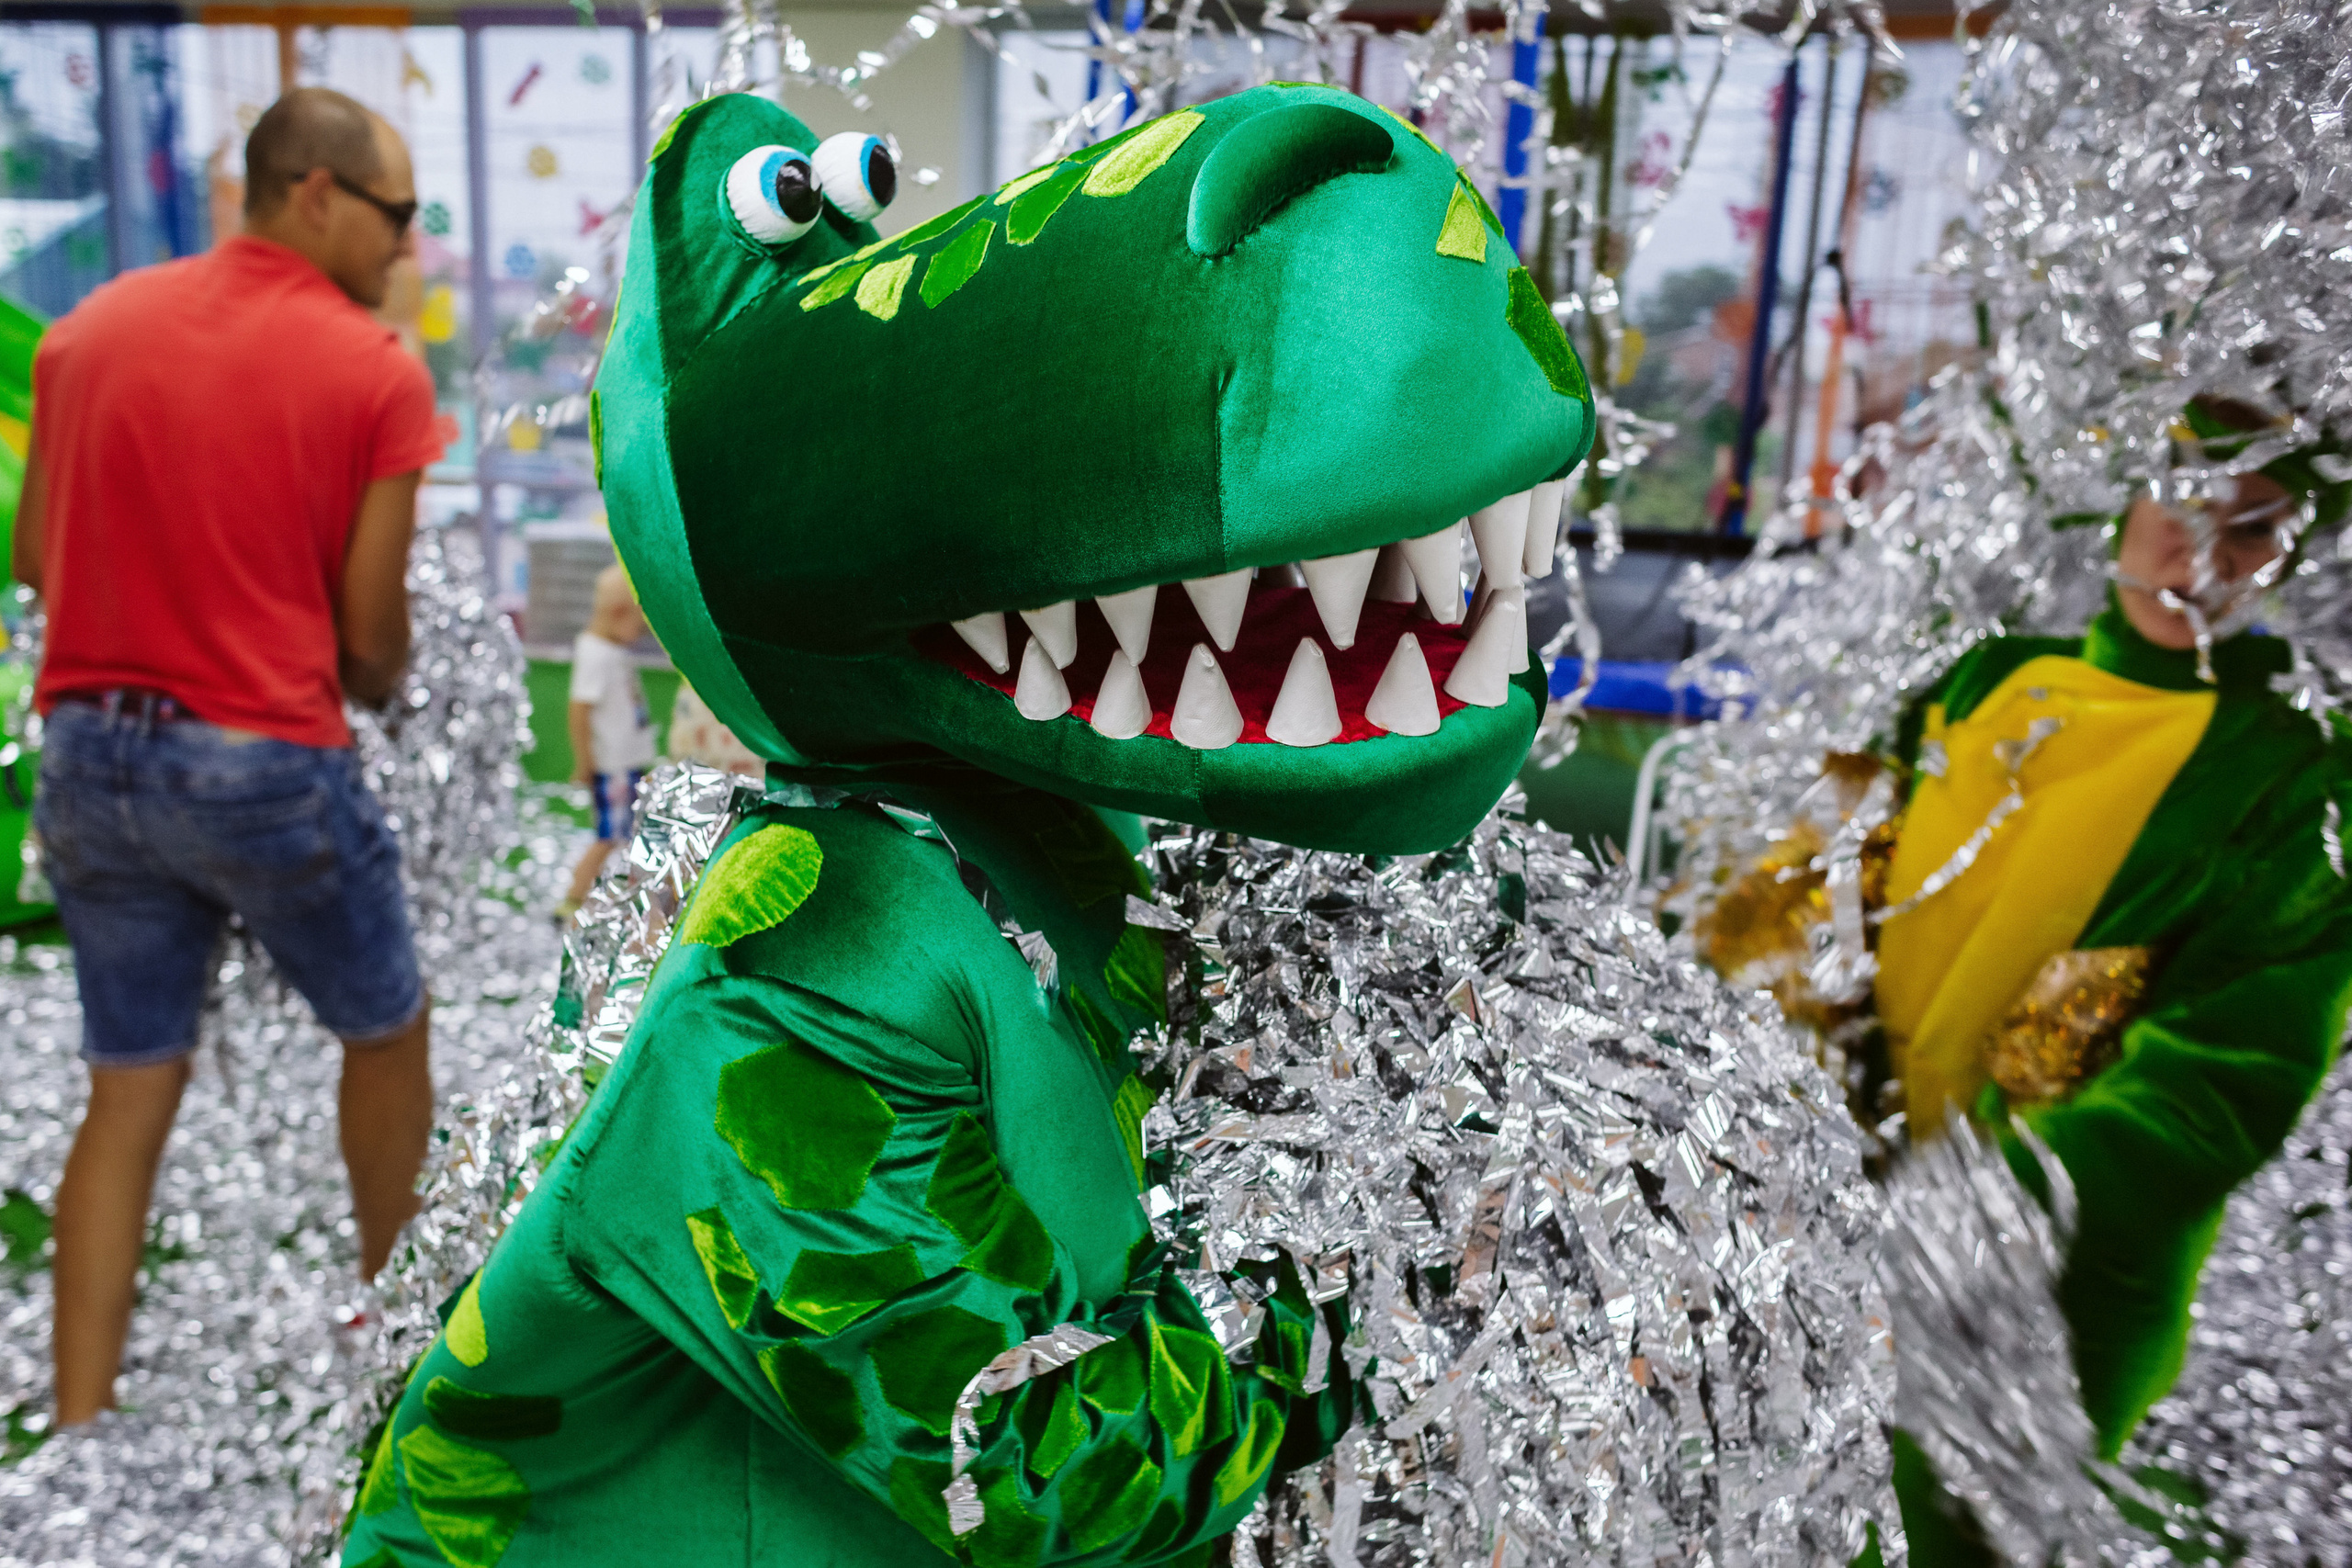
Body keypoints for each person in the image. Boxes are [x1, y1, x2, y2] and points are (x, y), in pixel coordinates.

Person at [1699, 399, 2352, 1562]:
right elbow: (1833, 867)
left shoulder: (2295, 778)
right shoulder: (1993, 676)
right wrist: (1714, 1030)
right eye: (2181, 496)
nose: (2196, 553)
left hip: (2043, 1294)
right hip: (1832, 1218)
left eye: (2252, 529)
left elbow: (2221, 1079)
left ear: (2298, 553)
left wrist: (1974, 1222)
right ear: (2128, 497)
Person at [12, 86, 445, 1428]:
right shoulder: (374, 368)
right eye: (398, 215)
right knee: (386, 1027)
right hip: (259, 762)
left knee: (128, 1083)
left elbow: (35, 560)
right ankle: (403, 1357)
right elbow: (372, 644)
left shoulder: (85, 335)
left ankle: (80, 1420)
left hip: (84, 759)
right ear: (313, 189)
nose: (408, 250)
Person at [560, 562, 656, 917]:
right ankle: (573, 897)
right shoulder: (595, 653)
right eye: (640, 624)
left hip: (626, 763)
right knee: (607, 838)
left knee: (627, 834)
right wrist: (585, 761)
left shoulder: (611, 649)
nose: (642, 632)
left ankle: (620, 894)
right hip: (613, 767)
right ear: (617, 613)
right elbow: (579, 710)